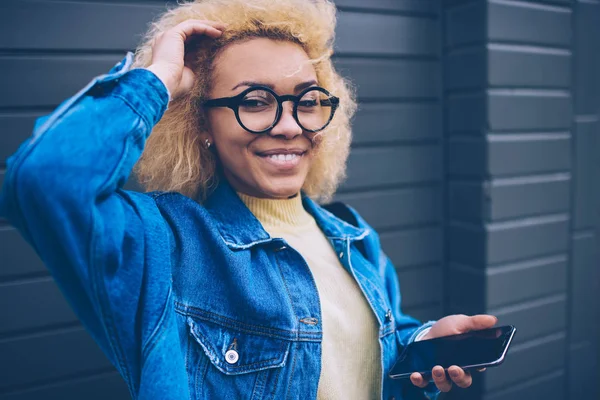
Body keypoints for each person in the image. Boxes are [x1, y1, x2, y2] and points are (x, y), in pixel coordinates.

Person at [0, 0, 497, 399]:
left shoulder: (354, 237)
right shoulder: (164, 248)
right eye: (254, 102)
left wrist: (418, 345)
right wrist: (157, 79)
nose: (289, 125)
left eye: (306, 100)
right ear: (201, 124)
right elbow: (44, 182)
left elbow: (363, 363)